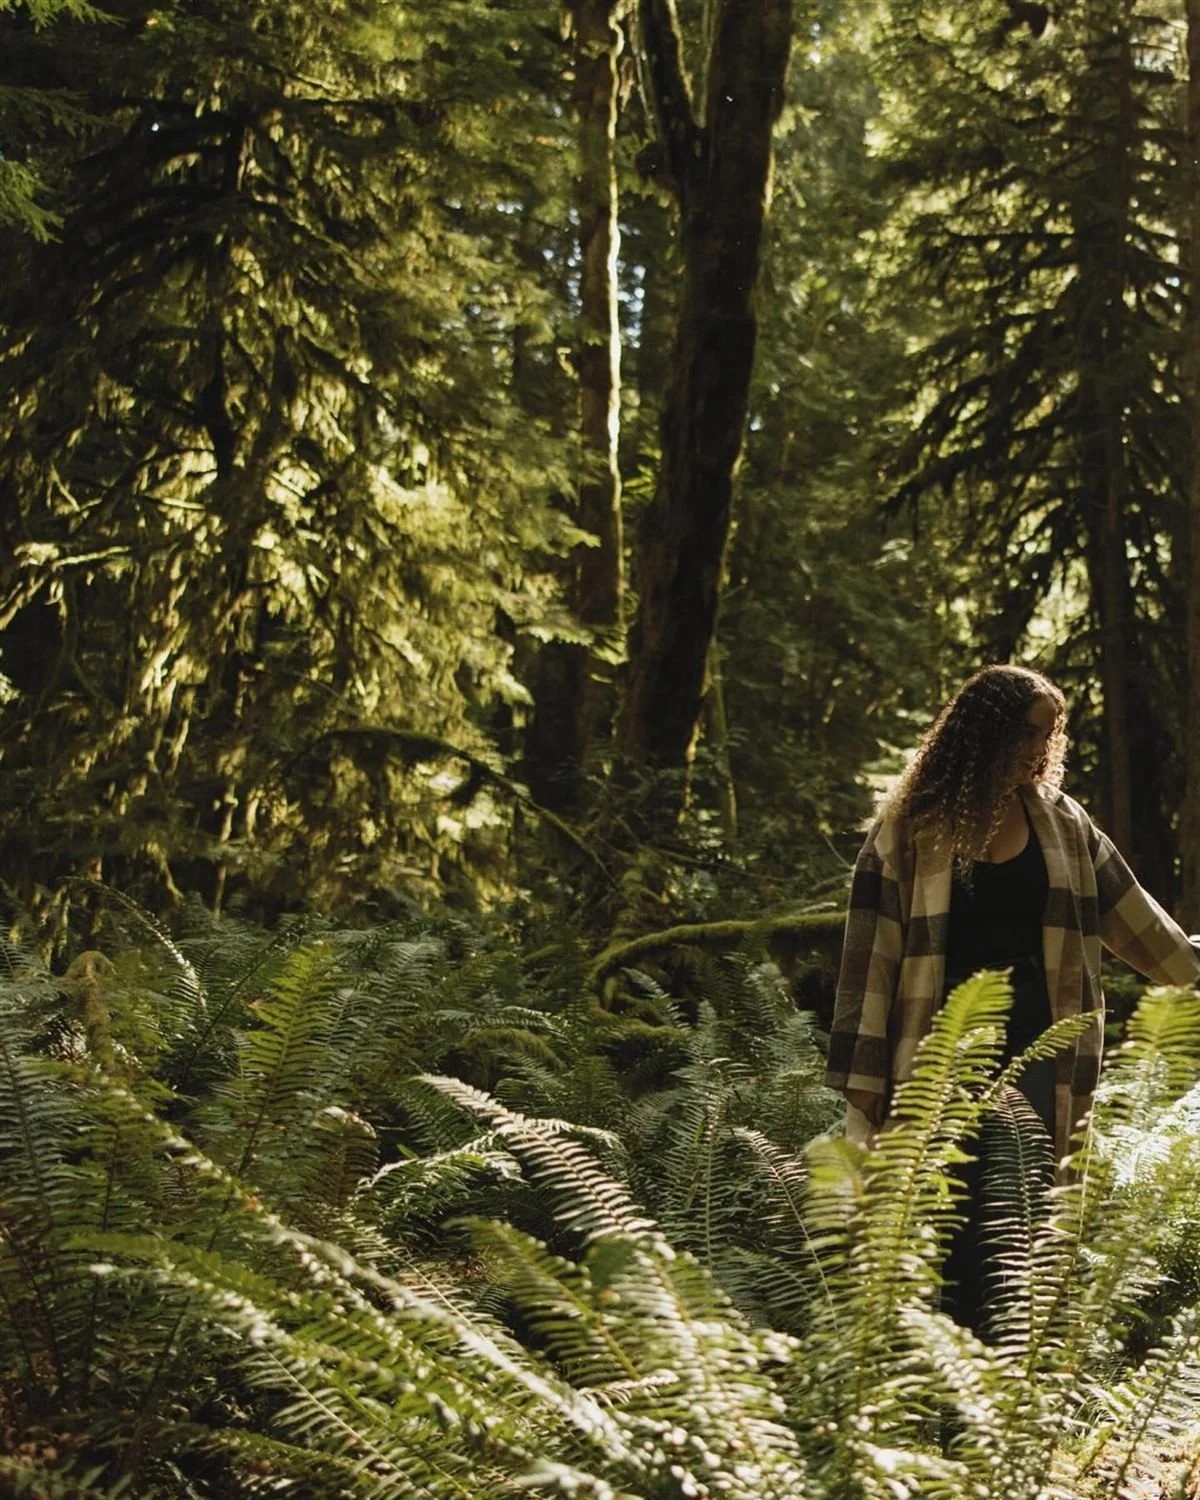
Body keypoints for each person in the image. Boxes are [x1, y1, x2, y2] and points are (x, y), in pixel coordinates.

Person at [824, 663, 1200, 1328]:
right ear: (986, 731)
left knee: (1022, 1204)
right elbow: (869, 965)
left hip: (1039, 1045)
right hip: (935, 1054)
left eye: (1050, 734)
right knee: (944, 1206)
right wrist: (863, 1091)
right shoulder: (909, 830)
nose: (1041, 748)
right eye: (1031, 732)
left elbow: (1141, 927)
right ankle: (944, 1373)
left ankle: (1006, 1374)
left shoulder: (1064, 825)